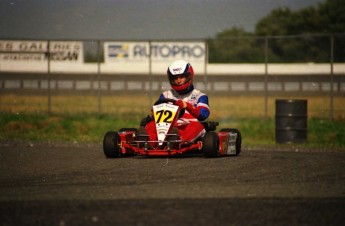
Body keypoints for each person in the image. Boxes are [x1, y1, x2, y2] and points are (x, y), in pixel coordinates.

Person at [144, 59, 210, 144]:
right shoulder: (166, 95)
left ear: (189, 76)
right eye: (175, 78)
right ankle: (149, 143)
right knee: (151, 125)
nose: (178, 81)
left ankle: (177, 141)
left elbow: (203, 114)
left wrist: (187, 106)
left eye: (181, 77)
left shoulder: (200, 96)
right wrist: (154, 114)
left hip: (189, 126)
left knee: (196, 126)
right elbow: (158, 115)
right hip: (167, 127)